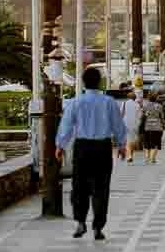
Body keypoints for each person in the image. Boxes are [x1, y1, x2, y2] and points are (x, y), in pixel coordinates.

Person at [55, 67, 127, 241]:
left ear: (84, 82)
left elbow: (66, 126)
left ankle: (80, 222)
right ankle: (98, 227)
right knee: (101, 188)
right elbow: (118, 125)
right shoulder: (109, 102)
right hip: (102, 148)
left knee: (79, 186)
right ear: (99, 82)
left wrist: (60, 146)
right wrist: (121, 145)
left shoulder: (76, 102)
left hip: (83, 148)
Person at [142, 93, 165, 163]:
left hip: (147, 127)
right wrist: (163, 124)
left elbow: (142, 116)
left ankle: (147, 157)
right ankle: (153, 158)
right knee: (156, 143)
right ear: (156, 99)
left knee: (147, 143)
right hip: (157, 127)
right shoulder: (159, 106)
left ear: (149, 98)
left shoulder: (145, 106)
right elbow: (162, 117)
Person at [121, 92, 142, 163]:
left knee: (127, 140)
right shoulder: (137, 105)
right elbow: (140, 116)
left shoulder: (124, 103)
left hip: (126, 123)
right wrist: (138, 124)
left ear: (128, 97)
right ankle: (130, 155)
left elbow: (121, 114)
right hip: (135, 124)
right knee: (132, 140)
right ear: (135, 98)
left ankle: (129, 156)